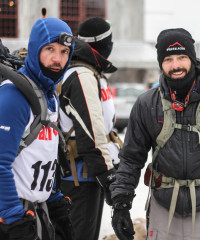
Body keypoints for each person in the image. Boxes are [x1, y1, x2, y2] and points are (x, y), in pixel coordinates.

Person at [110, 28, 200, 240]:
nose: (176, 65)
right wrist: (121, 204)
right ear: (161, 63)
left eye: (182, 57)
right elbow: (131, 158)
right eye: (168, 59)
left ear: (192, 58)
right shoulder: (147, 103)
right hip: (164, 209)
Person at [0, 18, 74, 240]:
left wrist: (53, 198)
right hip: (13, 217)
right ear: (34, 50)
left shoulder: (49, 96)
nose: (57, 59)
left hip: (37, 213)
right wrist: (14, 218)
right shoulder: (14, 96)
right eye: (49, 49)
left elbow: (40, 157)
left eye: (64, 52)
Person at [59, 17, 120, 240]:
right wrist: (107, 176)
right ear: (106, 44)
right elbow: (91, 133)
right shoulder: (81, 74)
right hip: (80, 177)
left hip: (88, 172)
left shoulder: (90, 70)